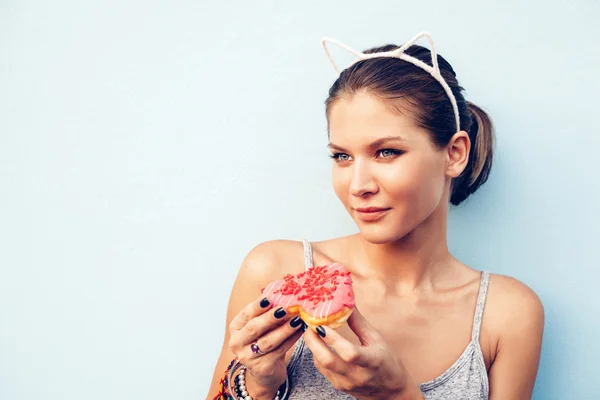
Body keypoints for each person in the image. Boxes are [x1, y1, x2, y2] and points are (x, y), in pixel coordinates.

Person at [207, 32, 544, 400]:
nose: (358, 185)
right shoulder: (275, 268)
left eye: (386, 152)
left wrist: (398, 393)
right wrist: (257, 384)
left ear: (454, 154)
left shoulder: (506, 314)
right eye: (342, 156)